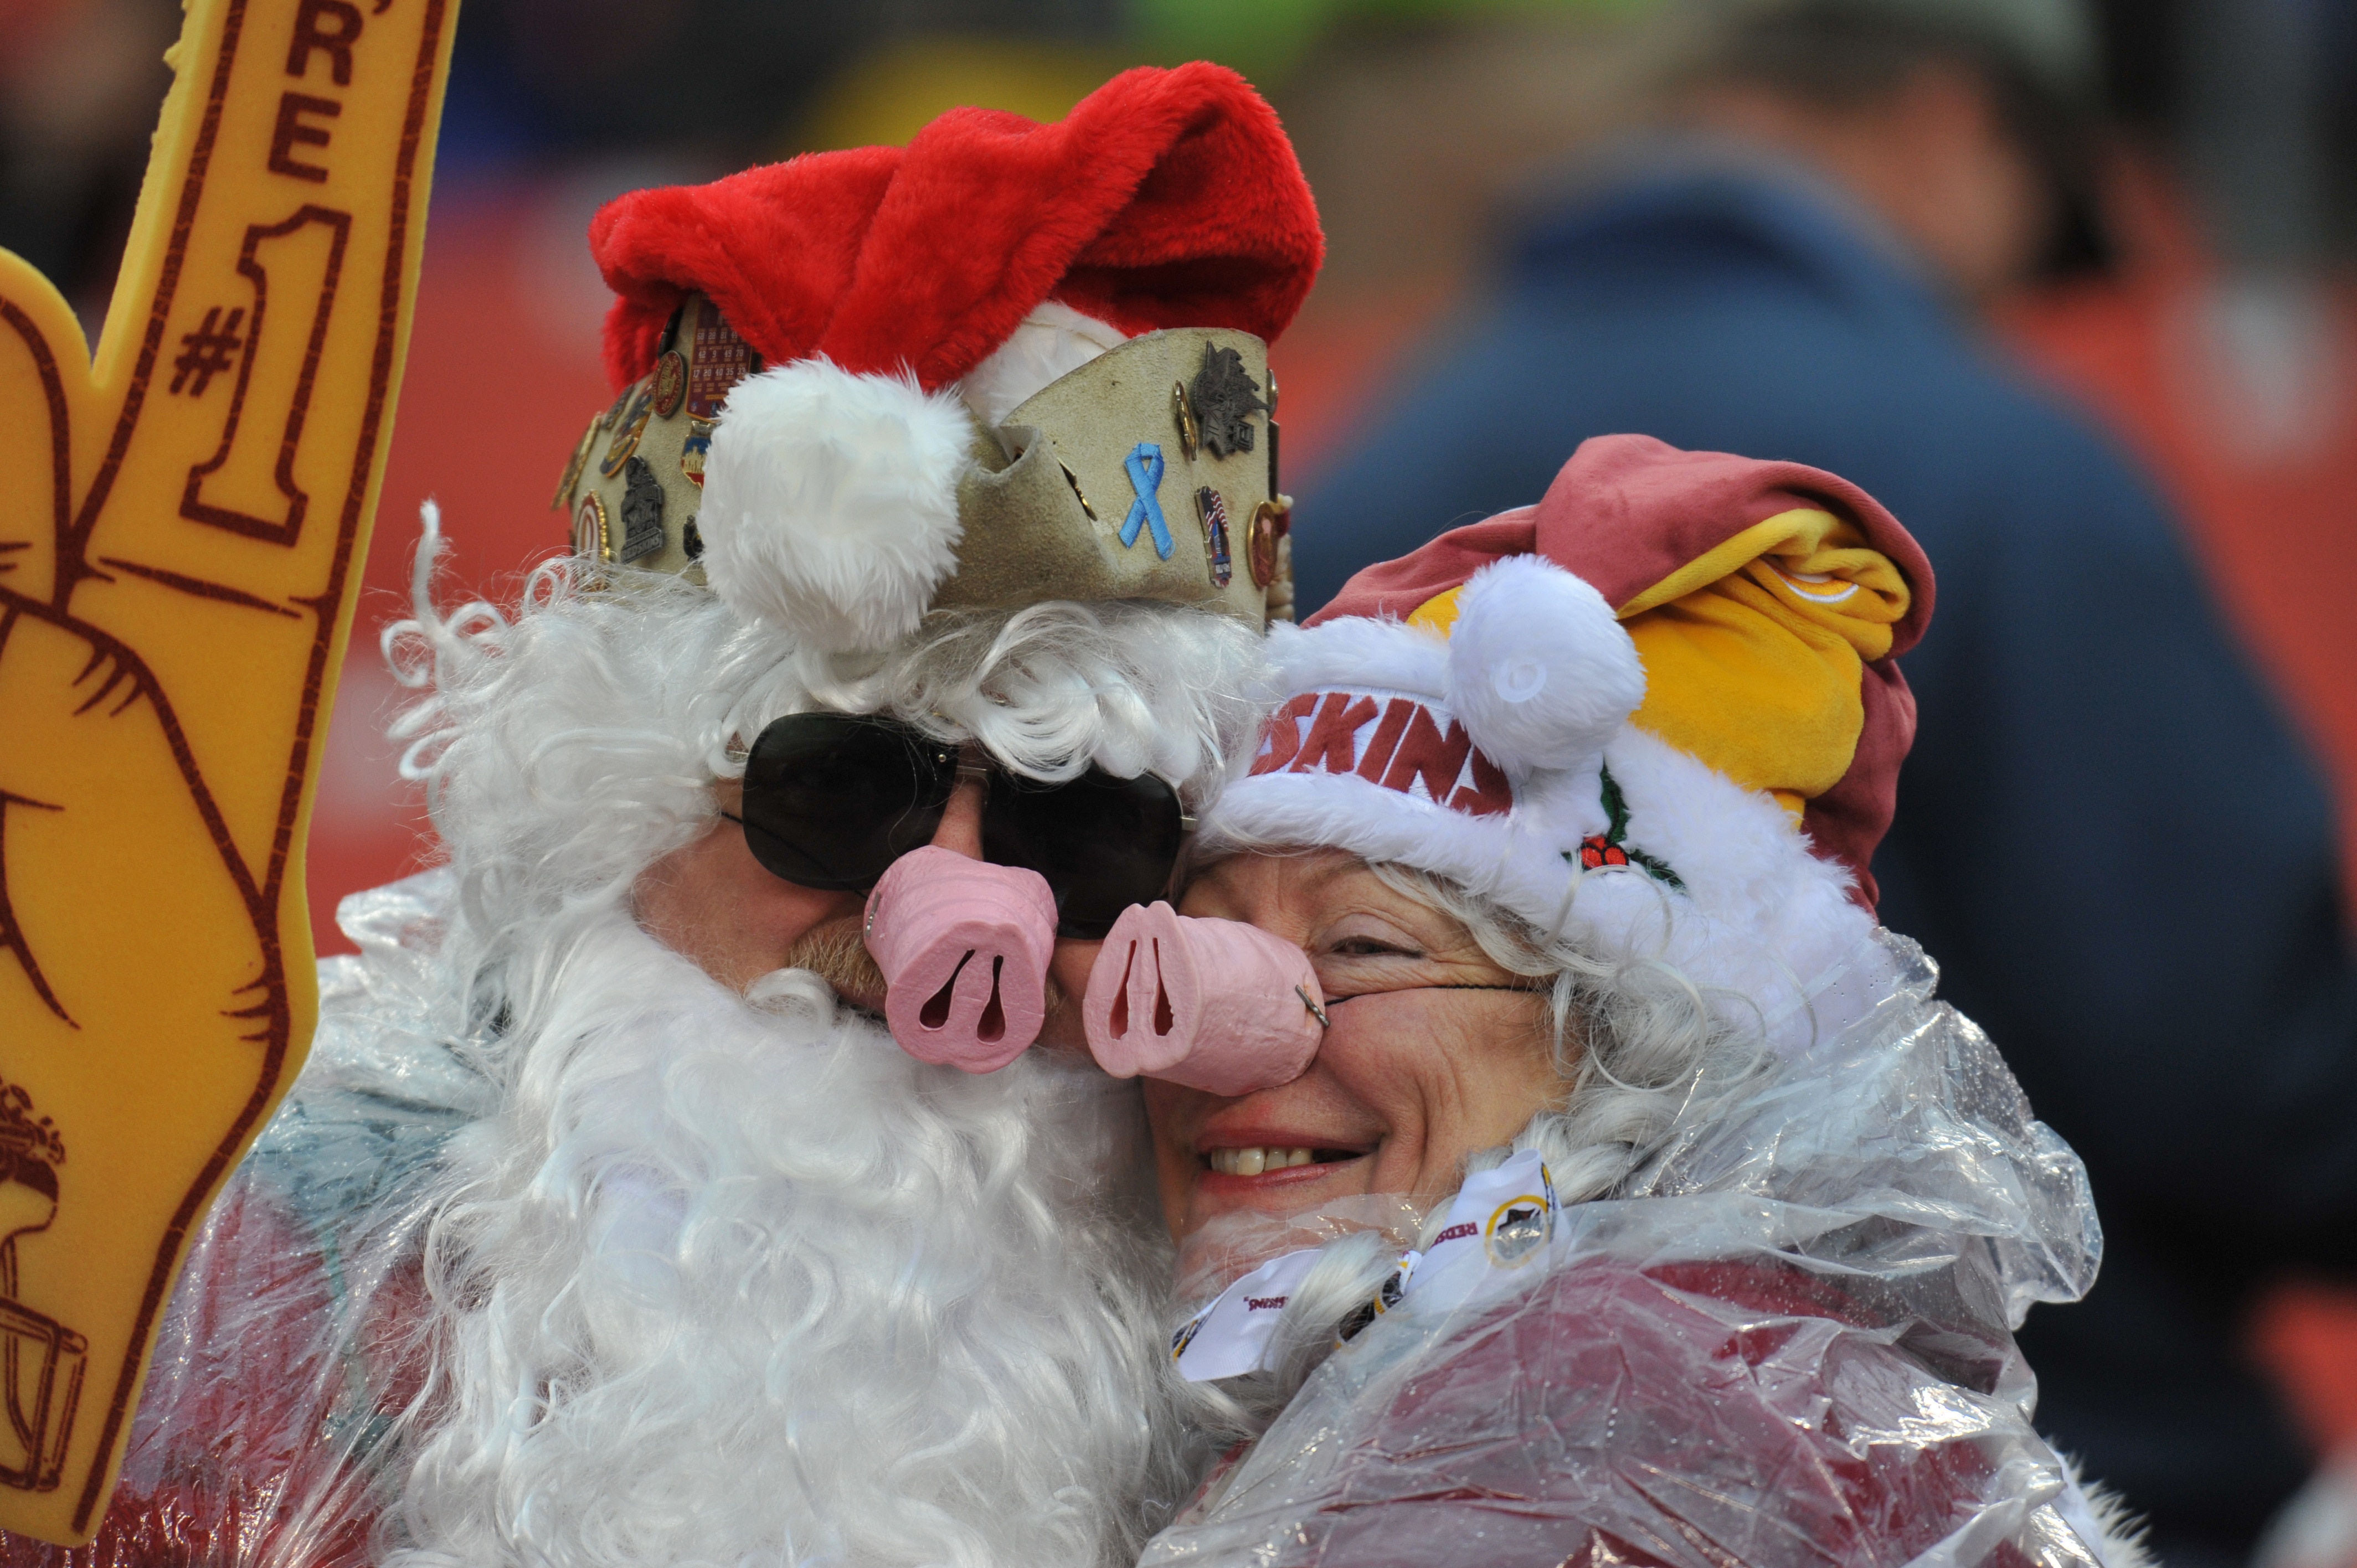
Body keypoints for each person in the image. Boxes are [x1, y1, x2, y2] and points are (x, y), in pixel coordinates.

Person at [1, 64, 1319, 1567]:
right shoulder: (282, 1244)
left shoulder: (1268, 1333)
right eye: (837, 796)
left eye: (1072, 833)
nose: (950, 920)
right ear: (619, 812)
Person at [1291, 3, 2357, 1557]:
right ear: (1947, 124)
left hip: (1442, 1487)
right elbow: (2234, 1058)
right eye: (2033, 228)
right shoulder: (2011, 465)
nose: (2006, 290)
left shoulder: (1369, 469)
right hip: (2014, 1479)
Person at [1128, 432, 2147, 1566]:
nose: (1222, 1040)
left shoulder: (1599, 1426)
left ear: (1627, 1044)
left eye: (1363, 948)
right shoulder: (1627, 1367)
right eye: (1193, 948)